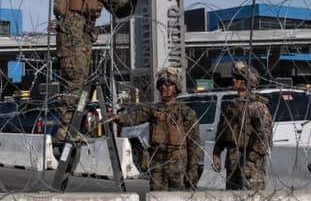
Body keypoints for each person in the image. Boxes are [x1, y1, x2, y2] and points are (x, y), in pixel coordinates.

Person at [53, 0, 137, 144]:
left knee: (80, 82)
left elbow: (120, 11)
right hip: (72, 30)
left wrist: (133, 1)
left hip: (86, 35)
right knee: (75, 78)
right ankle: (65, 128)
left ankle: (72, 127)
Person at [111, 67, 201, 191]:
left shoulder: (185, 112)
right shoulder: (153, 110)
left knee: (178, 200)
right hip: (158, 163)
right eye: (161, 84)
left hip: (178, 163)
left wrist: (193, 168)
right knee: (156, 198)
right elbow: (134, 118)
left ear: (176, 87)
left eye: (168, 84)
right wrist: (117, 118)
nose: (164, 87)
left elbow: (194, 143)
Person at [212, 61, 273, 191]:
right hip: (232, 163)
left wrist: (249, 159)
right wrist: (216, 153)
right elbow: (222, 133)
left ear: (247, 82)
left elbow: (265, 138)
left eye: (238, 78)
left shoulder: (258, 107)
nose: (234, 80)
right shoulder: (232, 106)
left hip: (250, 167)